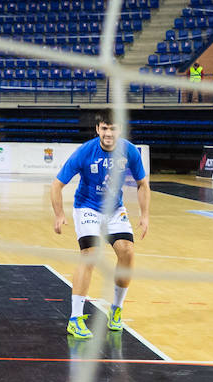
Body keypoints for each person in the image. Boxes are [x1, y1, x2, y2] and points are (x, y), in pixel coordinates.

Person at [49, 111, 150, 339]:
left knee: (127, 252)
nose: (108, 133)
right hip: (87, 208)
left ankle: (116, 309)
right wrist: (59, 214)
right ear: (97, 130)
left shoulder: (130, 151)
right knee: (90, 255)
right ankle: (75, 319)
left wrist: (145, 215)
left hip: (114, 209)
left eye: (113, 128)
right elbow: (56, 185)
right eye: (104, 128)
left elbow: (143, 184)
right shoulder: (85, 151)